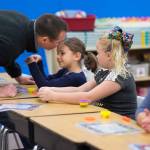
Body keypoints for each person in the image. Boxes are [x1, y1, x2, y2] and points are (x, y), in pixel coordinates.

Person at [37, 26, 137, 119]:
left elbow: (87, 97)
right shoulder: (104, 72)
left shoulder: (120, 76)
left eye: (98, 52)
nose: (96, 56)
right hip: (107, 119)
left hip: (121, 124)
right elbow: (80, 90)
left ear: (109, 55)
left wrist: (53, 96)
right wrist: (51, 89)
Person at [0, 10, 67, 85]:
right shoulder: (14, 43)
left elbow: (5, 54)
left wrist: (18, 76)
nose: (59, 45)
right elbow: (6, 51)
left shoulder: (23, 22)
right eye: (58, 42)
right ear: (45, 40)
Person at [25, 37, 96, 88]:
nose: (58, 57)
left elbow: (44, 86)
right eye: (57, 53)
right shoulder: (65, 71)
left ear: (77, 56)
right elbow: (46, 80)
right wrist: (39, 62)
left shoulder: (76, 78)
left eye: (62, 53)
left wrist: (32, 64)